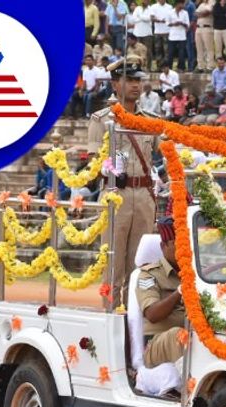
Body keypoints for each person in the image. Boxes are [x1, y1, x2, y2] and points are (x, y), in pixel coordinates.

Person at [89, 63, 158, 305]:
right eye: (129, 80)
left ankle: (134, 318)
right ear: (115, 84)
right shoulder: (101, 120)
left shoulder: (150, 121)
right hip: (116, 193)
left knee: (140, 262)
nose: (136, 85)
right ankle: (110, 313)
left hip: (144, 194)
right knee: (113, 260)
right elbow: (94, 162)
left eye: (138, 80)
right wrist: (110, 168)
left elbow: (164, 154)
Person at [136, 218, 186, 368]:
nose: (184, 247)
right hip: (156, 344)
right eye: (177, 242)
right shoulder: (149, 275)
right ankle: (191, 386)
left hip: (193, 337)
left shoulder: (197, 273)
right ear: (163, 246)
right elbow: (152, 314)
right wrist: (179, 292)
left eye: (186, 242)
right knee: (177, 335)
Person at [166, 0, 190, 70]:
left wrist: (182, 23)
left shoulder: (185, 13)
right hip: (172, 36)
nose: (183, 6)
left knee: (181, 53)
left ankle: (181, 68)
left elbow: (187, 24)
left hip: (182, 36)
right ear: (177, 4)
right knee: (170, 53)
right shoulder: (170, 12)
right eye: (181, 4)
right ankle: (169, 68)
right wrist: (174, 24)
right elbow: (167, 23)